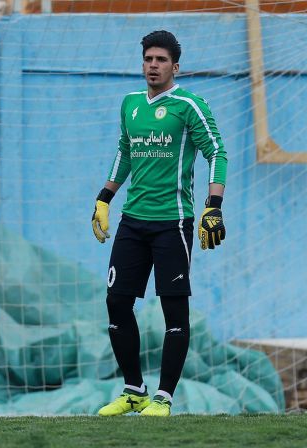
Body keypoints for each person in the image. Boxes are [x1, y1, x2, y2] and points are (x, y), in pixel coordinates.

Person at [93, 30, 227, 417]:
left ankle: (164, 398)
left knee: (174, 312)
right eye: (148, 59)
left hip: (173, 223)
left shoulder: (189, 105)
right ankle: (134, 390)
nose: (153, 65)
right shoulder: (130, 104)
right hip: (133, 222)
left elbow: (217, 152)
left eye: (161, 60)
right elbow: (125, 152)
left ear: (175, 67)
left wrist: (213, 206)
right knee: (117, 303)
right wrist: (104, 199)